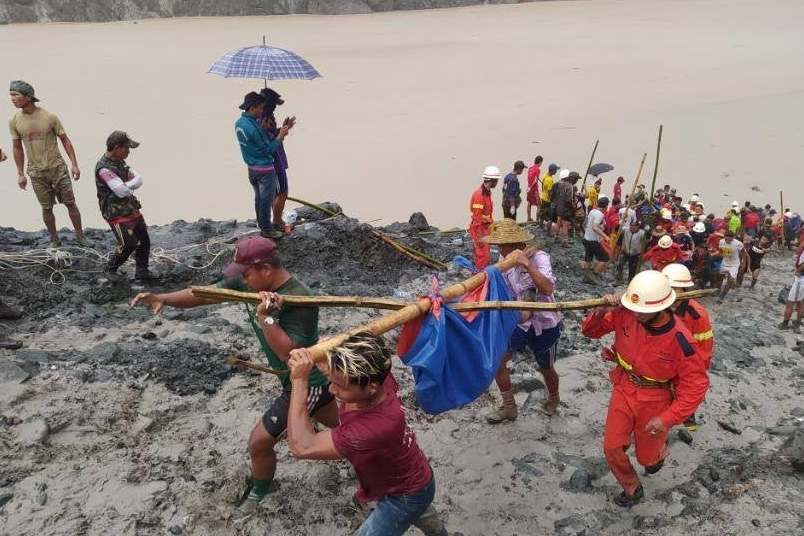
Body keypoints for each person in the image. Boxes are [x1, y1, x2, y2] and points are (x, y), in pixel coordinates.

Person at [130, 236, 338, 511]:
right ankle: (377, 449)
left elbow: (289, 354)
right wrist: (163, 298)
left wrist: (266, 317)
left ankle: (257, 495)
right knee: (347, 428)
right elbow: (205, 294)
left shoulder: (301, 297)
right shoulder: (251, 281)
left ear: (265, 269)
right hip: (299, 381)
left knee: (259, 443)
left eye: (246, 273)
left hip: (305, 382)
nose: (243, 280)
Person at [286, 334, 447, 536]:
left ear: (371, 388)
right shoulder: (379, 375)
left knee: (415, 509)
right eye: (331, 380)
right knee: (425, 515)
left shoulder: (374, 428)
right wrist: (329, 350)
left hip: (404, 495)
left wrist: (299, 380)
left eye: (341, 387)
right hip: (413, 474)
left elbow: (302, 446)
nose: (331, 389)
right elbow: (353, 358)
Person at [581, 270, 709, 507]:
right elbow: (589, 332)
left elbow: (696, 385)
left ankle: (656, 456)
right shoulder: (626, 313)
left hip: (655, 399)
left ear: (661, 307)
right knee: (611, 446)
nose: (638, 314)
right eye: (635, 308)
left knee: (646, 458)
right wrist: (600, 312)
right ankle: (631, 487)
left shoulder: (681, 339)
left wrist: (667, 418)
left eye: (644, 311)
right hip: (624, 387)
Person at [481, 220, 563, 421]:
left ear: (515, 244)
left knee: (546, 367)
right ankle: (509, 406)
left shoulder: (540, 258)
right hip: (519, 318)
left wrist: (526, 264)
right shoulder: (504, 261)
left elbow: (547, 288)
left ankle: (554, 398)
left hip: (544, 321)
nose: (499, 249)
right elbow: (504, 289)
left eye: (502, 245)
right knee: (499, 361)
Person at [9, 80, 87, 248]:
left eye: (15, 95)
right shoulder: (15, 121)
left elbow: (65, 140)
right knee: (46, 208)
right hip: (36, 172)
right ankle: (54, 239)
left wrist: (74, 164)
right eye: (11, 95)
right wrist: (20, 173)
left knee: (70, 203)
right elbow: (17, 148)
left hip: (57, 168)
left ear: (28, 97)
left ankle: (81, 236)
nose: (12, 98)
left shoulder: (49, 117)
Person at [661, 263, 714, 431]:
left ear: (685, 290)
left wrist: (694, 374)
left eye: (676, 289)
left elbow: (703, 350)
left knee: (685, 396)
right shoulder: (658, 307)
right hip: (662, 360)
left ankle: (688, 419)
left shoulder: (697, 315)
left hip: (685, 363)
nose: (672, 293)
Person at [95, 131, 153, 280]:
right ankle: (110, 269)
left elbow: (138, 180)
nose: (128, 152)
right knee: (129, 244)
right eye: (126, 148)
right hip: (116, 213)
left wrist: (125, 185)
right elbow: (120, 191)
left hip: (130, 208)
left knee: (144, 240)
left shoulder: (120, 162)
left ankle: (142, 271)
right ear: (116, 148)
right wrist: (127, 185)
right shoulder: (104, 168)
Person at [235, 91, 292, 240]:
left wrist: (276, 131)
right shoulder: (256, 127)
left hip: (252, 168)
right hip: (265, 169)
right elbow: (268, 149)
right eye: (260, 108)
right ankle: (268, 229)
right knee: (267, 200)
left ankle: (263, 225)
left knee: (259, 199)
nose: (262, 111)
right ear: (253, 108)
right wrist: (280, 136)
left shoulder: (240, 123)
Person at [259, 87, 294, 235]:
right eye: (273, 105)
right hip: (273, 159)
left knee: (276, 192)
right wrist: (281, 133)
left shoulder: (267, 117)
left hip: (276, 155)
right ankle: (277, 221)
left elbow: (273, 134)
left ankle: (276, 219)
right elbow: (268, 140)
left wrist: (284, 128)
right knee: (283, 191)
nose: (274, 108)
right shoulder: (263, 120)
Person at [468, 166, 500, 269]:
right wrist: (480, 237)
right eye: (497, 180)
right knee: (482, 255)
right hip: (480, 228)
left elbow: (486, 214)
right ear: (492, 180)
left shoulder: (486, 193)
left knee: (484, 253)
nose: (497, 183)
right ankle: (480, 276)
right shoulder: (480, 195)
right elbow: (477, 217)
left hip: (485, 227)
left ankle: (481, 273)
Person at [582, 196, 611, 284]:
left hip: (586, 238)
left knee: (588, 258)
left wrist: (600, 228)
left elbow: (587, 224)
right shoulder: (600, 214)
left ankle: (586, 276)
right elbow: (594, 227)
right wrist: (605, 236)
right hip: (592, 240)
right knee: (605, 258)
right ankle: (594, 275)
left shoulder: (592, 211)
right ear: (605, 207)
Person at [779, 242, 804, 333]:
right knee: (801, 302)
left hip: (801, 279)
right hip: (801, 278)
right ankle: (797, 323)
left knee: (791, 302)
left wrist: (797, 270)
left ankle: (785, 323)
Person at [551, 170, 579, 246]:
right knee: (565, 224)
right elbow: (568, 200)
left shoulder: (561, 184)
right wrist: (573, 207)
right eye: (576, 179)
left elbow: (557, 195)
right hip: (565, 208)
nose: (577, 181)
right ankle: (565, 241)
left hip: (559, 207)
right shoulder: (570, 187)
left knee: (558, 221)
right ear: (573, 179)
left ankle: (556, 237)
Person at [717, 229, 745, 303]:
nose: (728, 240)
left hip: (734, 264)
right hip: (725, 262)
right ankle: (734, 288)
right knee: (720, 278)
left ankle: (722, 297)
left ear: (733, 238)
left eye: (730, 239)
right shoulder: (721, 241)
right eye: (726, 239)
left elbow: (744, 254)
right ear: (724, 237)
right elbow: (720, 252)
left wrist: (743, 263)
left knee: (730, 280)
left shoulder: (738, 244)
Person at [539, 163, 559, 231]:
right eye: (556, 170)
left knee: (542, 213)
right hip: (548, 200)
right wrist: (553, 200)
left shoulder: (545, 175)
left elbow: (543, 187)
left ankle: (541, 225)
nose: (556, 171)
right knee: (551, 217)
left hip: (543, 197)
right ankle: (548, 231)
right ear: (553, 171)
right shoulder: (550, 180)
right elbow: (550, 191)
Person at [525, 156, 542, 222]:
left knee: (529, 203)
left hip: (529, 188)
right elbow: (535, 180)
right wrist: (532, 187)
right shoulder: (537, 169)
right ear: (540, 162)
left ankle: (528, 217)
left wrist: (528, 187)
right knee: (539, 204)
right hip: (534, 188)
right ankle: (537, 220)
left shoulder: (530, 168)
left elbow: (528, 178)